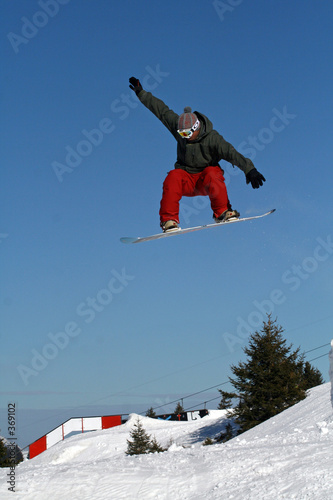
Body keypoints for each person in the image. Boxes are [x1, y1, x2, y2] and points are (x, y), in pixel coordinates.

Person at [129, 77, 266, 232]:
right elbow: (161, 111)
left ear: (196, 128)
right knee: (173, 176)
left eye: (187, 132)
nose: (184, 136)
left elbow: (231, 153)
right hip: (186, 180)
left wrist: (250, 170)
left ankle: (222, 212)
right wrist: (141, 93)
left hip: (205, 181)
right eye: (181, 133)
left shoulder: (213, 139)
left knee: (212, 172)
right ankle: (169, 221)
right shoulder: (180, 132)